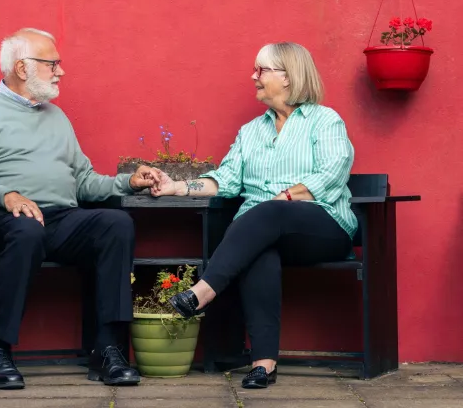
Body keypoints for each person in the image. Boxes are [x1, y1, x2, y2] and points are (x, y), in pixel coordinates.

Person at [0, 28, 160, 390]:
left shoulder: (57, 118)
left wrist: (127, 182)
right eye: (52, 64)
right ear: (21, 67)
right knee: (26, 229)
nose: (60, 72)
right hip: (3, 221)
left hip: (59, 219)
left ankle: (108, 350)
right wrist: (8, 196)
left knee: (116, 223)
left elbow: (84, 182)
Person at [151, 42, 357, 390]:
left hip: (322, 227)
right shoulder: (251, 131)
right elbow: (226, 180)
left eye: (261, 70)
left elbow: (333, 172)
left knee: (269, 211)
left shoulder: (325, 120)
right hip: (264, 230)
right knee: (260, 248)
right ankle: (263, 363)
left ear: (288, 77)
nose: (253, 76)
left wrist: (287, 196)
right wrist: (177, 187)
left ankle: (201, 292)